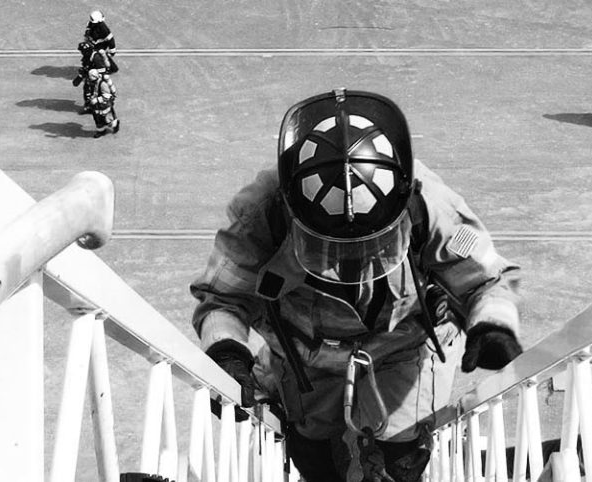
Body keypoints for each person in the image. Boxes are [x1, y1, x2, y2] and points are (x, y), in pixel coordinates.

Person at [190, 89, 524, 481]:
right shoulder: (263, 214)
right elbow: (222, 298)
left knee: (402, 457)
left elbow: (485, 279)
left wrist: (492, 326)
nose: (351, 262)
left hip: (402, 347)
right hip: (305, 357)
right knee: (314, 454)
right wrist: (227, 353)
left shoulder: (426, 202)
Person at [87, 69, 119, 137]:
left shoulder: (103, 84)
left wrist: (97, 100)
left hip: (104, 105)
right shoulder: (93, 82)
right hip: (97, 106)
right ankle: (101, 131)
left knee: (107, 120)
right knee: (98, 119)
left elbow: (107, 96)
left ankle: (115, 124)